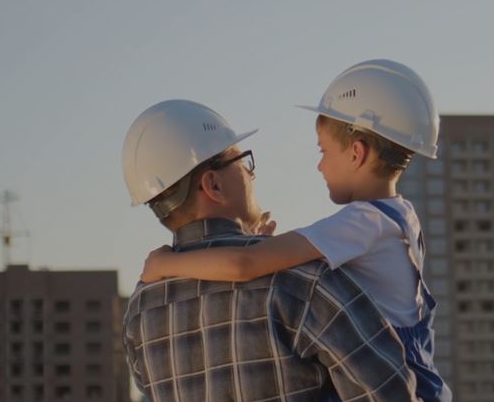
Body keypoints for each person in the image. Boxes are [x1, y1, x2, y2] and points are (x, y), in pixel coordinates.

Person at [141, 60, 452, 402]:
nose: (319, 165)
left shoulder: (359, 223)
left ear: (356, 153)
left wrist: (165, 265)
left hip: (403, 370)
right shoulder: (397, 217)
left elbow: (245, 266)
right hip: (416, 374)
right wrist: (259, 243)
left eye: (323, 151)